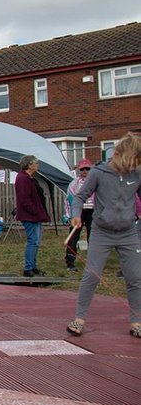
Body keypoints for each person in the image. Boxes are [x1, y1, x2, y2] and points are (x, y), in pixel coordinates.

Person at [66, 133, 141, 338]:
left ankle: (137, 321)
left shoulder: (137, 172)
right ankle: (79, 319)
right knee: (92, 275)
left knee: (135, 278)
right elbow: (79, 196)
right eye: (130, 160)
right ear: (116, 154)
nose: (132, 165)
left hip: (128, 232)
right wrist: (76, 215)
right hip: (102, 232)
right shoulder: (98, 173)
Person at [15, 155, 49, 277]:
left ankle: (33, 267)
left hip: (35, 215)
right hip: (29, 216)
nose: (38, 165)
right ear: (29, 165)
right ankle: (28, 268)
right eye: (36, 163)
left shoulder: (29, 178)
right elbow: (25, 199)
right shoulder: (23, 178)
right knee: (33, 241)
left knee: (36, 241)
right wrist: (35, 211)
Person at [64, 159, 95, 270]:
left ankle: (93, 262)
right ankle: (70, 261)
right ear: (78, 170)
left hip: (93, 211)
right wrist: (69, 215)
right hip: (78, 211)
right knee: (74, 236)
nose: (85, 171)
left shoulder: (96, 182)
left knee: (93, 236)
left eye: (88, 169)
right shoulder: (74, 184)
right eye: (82, 169)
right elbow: (69, 200)